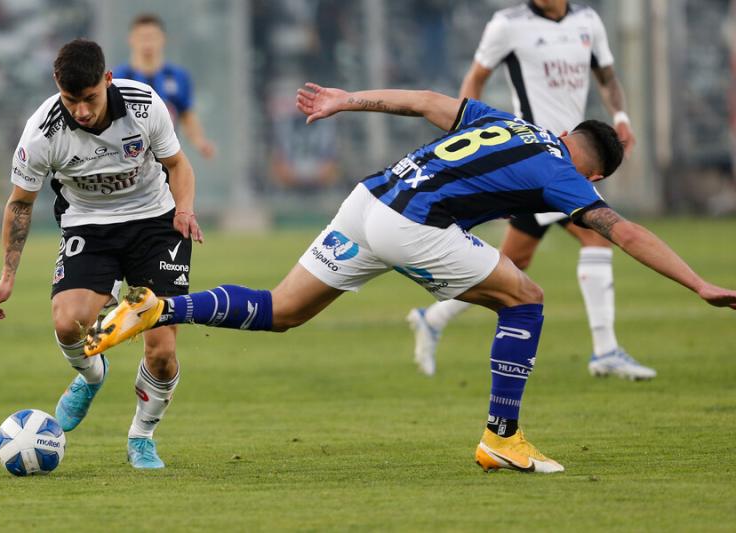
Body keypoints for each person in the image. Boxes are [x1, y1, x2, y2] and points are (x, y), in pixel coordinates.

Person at [83, 83, 736, 474]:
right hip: (411, 224)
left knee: (284, 309)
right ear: (592, 173)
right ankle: (502, 438)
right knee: (527, 299)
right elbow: (625, 231)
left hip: (369, 198)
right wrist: (699, 284)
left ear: (563, 131)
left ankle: (161, 308)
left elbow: (424, 101)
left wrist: (347, 101)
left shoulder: (507, 122)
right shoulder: (565, 175)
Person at [0, 39, 204, 469]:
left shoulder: (144, 105)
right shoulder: (42, 132)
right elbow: (20, 204)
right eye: (71, 100)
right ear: (57, 86)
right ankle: (91, 375)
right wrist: (7, 276)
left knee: (161, 351)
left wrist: (185, 209)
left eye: (90, 98)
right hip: (88, 225)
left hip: (155, 223)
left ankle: (142, 437)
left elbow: (178, 164)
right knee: (68, 323)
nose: (81, 111)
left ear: (107, 80)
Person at [406, 0, 651, 380]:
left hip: (570, 160)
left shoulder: (588, 20)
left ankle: (433, 318)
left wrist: (620, 117)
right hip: (533, 162)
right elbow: (475, 78)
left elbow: (606, 77)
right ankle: (605, 351)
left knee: (515, 261)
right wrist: (468, 137)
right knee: (597, 237)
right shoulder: (507, 24)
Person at [113, 13, 216, 160]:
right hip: (129, 159)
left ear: (163, 39)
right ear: (131, 39)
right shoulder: (118, 78)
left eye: (152, 37)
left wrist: (200, 142)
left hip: (166, 158)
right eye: (142, 37)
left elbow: (186, 115)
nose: (147, 43)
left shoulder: (179, 77)